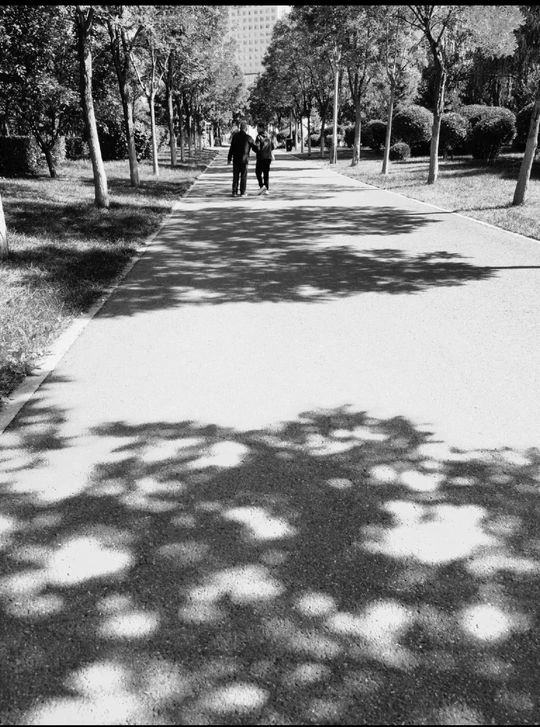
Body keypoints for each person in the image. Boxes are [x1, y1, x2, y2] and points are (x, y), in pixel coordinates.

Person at [227, 121, 256, 197]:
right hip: (244, 159)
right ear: (246, 129)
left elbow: (231, 148)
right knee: (243, 176)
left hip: (236, 159)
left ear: (240, 128)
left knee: (235, 176)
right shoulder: (248, 138)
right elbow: (255, 147)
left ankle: (234, 192)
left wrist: (229, 158)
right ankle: (243, 192)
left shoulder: (235, 137)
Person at [254, 122, 276, 195]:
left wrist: (253, 148)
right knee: (266, 173)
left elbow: (257, 148)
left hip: (261, 157)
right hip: (268, 158)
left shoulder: (258, 137)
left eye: (257, 128)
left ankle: (262, 186)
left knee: (258, 172)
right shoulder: (269, 136)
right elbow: (273, 146)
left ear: (261, 128)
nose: (257, 129)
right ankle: (266, 189)